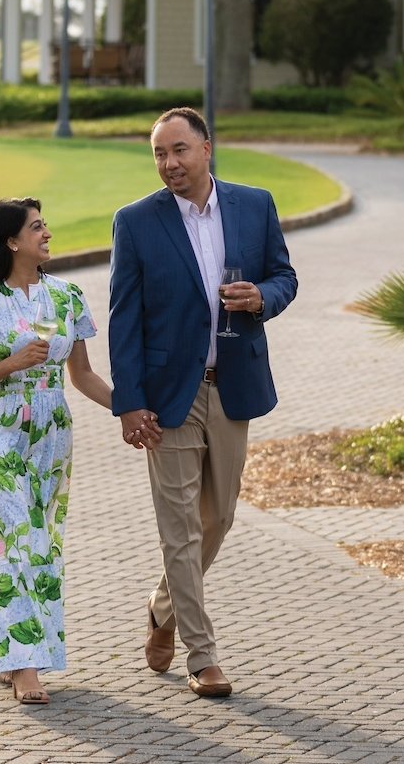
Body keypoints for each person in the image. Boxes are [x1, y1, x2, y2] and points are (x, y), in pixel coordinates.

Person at [108, 108, 298, 699]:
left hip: (232, 384)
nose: (170, 164)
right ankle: (202, 654)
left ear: (207, 148)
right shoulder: (136, 222)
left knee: (219, 516)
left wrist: (259, 297)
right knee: (180, 527)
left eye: (180, 150)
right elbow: (123, 319)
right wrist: (129, 402)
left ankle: (161, 609)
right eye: (160, 154)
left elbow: (285, 277)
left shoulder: (255, 205)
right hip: (169, 398)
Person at [0, 197, 125, 706]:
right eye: (36, 227)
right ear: (10, 241)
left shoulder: (67, 298)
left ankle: (2, 643)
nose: (47, 233)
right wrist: (10, 363)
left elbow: (84, 376)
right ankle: (24, 665)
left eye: (46, 225)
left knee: (42, 541)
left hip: (51, 435)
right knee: (10, 539)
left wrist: (131, 411)